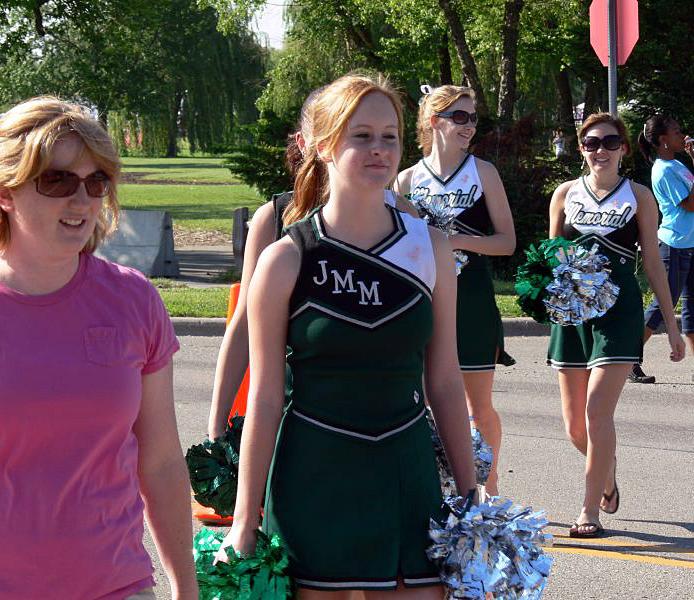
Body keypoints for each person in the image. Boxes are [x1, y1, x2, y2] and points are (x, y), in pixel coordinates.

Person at [0, 97, 197, 599]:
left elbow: (160, 462)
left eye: (97, 182)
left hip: (115, 586)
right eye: (58, 181)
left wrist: (186, 586)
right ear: (4, 192)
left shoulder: (134, 299)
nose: (82, 200)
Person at [216, 73, 476, 598]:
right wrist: (244, 520)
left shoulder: (430, 248)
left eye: (390, 136)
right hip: (314, 472)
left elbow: (445, 381)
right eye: (362, 135)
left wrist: (472, 495)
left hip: (405, 468)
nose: (380, 149)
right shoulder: (285, 259)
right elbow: (265, 397)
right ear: (323, 146)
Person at [208, 88, 414, 441]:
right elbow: (242, 327)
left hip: (389, 423)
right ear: (310, 143)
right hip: (297, 418)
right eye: (357, 134)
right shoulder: (274, 218)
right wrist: (217, 427)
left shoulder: (404, 219)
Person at [547, 112, 685, 538]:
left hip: (618, 311)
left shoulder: (639, 195)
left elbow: (653, 265)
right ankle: (606, 472)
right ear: (581, 149)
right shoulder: (564, 193)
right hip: (572, 312)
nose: (600, 150)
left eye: (610, 142)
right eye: (591, 143)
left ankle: (589, 511)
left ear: (624, 148)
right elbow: (551, 256)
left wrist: (672, 325)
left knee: (596, 411)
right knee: (575, 427)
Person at [394, 85, 515, 497]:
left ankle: (489, 487)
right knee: (428, 402)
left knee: (478, 406)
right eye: (459, 117)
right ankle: (444, 490)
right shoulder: (406, 179)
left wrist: (456, 241)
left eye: (473, 118)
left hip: (473, 297)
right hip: (424, 298)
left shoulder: (483, 172)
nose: (469, 126)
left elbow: (506, 242)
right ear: (434, 121)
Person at [631, 115, 694, 384]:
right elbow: (689, 205)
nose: (682, 135)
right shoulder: (662, 170)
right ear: (663, 140)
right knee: (663, 304)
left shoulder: (677, 164)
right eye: (676, 132)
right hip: (674, 246)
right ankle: (627, 358)